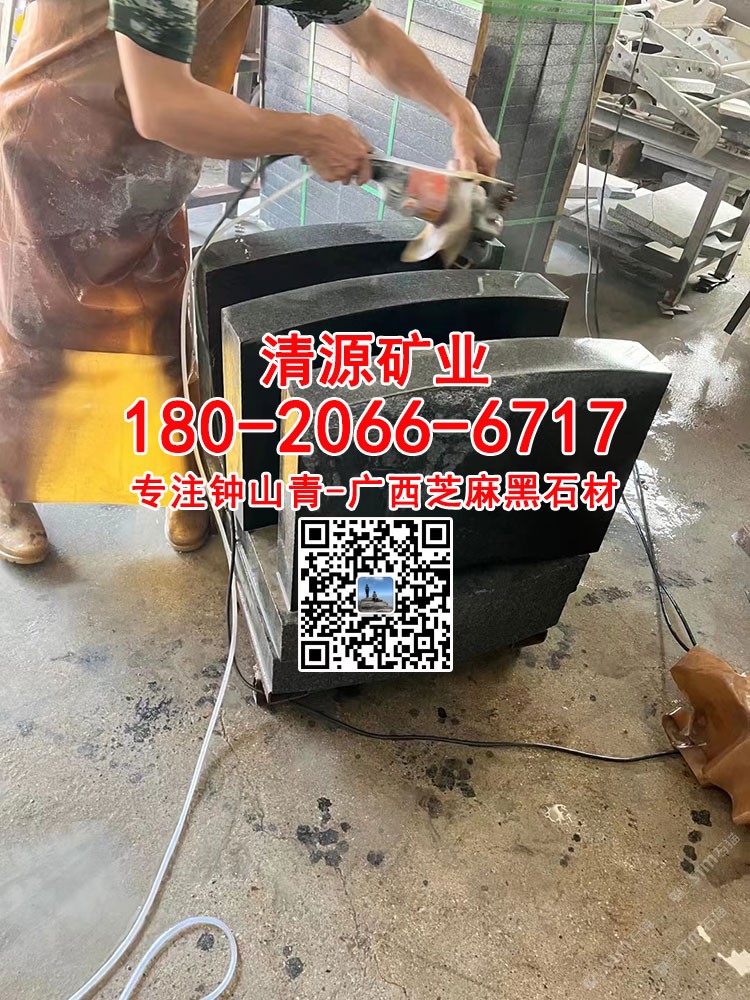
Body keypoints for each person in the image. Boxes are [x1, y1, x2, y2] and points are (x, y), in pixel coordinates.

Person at [0, 0, 500, 565]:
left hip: (151, 165)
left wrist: (459, 111)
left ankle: (180, 475)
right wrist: (306, 134)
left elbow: (371, 37)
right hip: (56, 145)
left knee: (166, 330)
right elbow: (161, 105)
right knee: (36, 334)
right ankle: (9, 485)